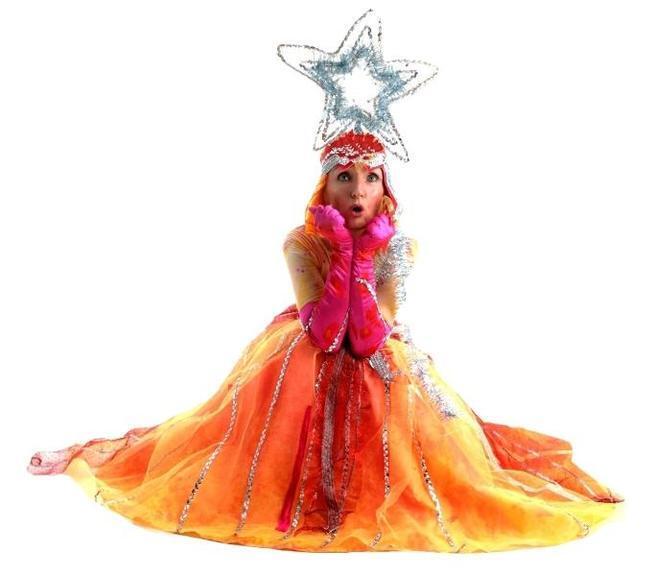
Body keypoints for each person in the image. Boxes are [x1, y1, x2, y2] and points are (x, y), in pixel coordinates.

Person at [26, 129, 624, 553]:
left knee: (434, 447)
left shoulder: (399, 246)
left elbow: (368, 336)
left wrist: (365, 255)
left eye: (370, 178)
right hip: (306, 356)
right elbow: (325, 330)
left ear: (385, 187)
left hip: (376, 354)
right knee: (271, 401)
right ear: (325, 188)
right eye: (344, 178)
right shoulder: (300, 242)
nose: (358, 191)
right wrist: (341, 250)